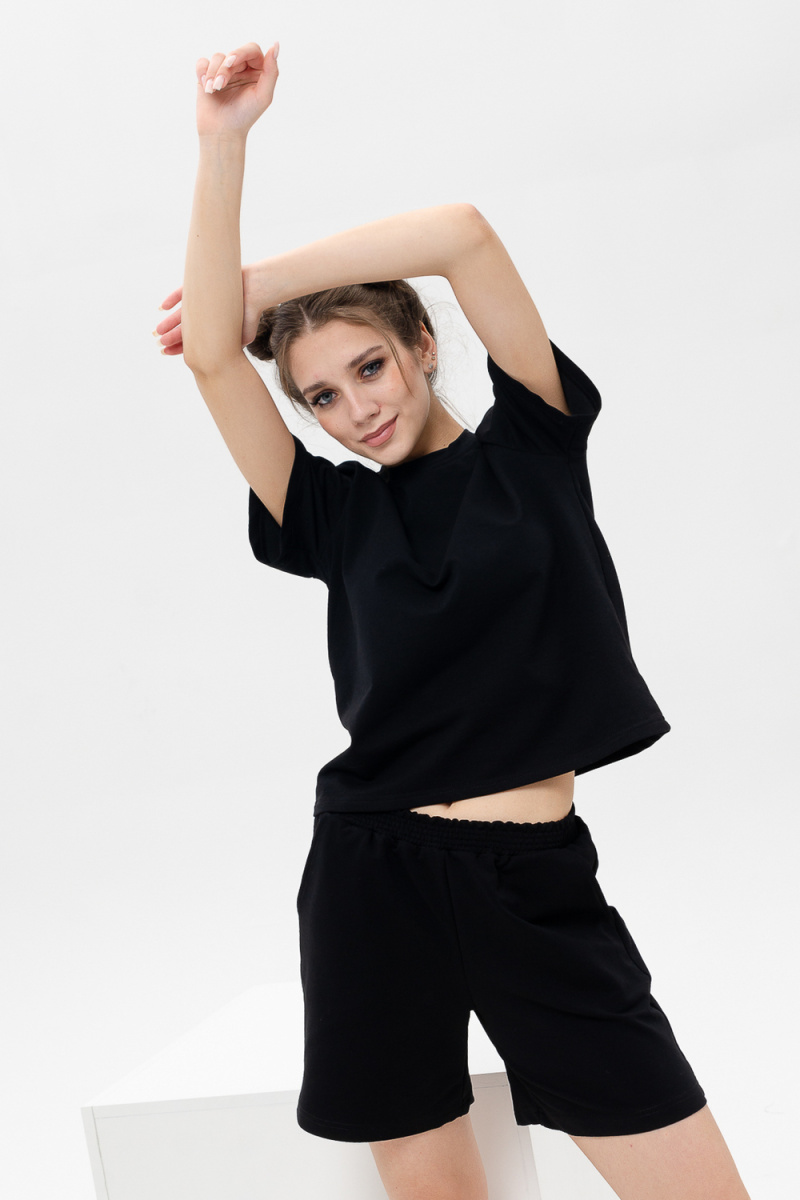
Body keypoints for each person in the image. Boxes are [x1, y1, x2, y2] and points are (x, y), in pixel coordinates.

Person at [155, 40, 751, 1200]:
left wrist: (268, 281)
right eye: (321, 395)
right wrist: (219, 145)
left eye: (370, 368)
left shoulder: (533, 446)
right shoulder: (327, 515)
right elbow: (212, 357)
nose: (354, 409)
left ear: (422, 347)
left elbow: (461, 234)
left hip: (530, 882)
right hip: (370, 879)